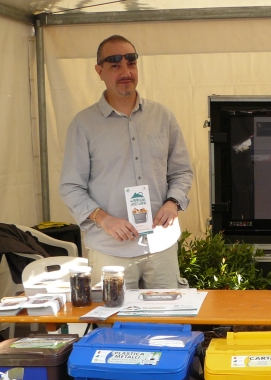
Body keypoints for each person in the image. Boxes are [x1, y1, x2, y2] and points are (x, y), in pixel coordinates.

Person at [59, 35, 193, 289]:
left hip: (161, 246)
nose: (125, 71)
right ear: (99, 71)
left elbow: (182, 171)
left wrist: (173, 202)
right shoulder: (84, 124)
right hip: (111, 252)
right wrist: (104, 219)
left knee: (167, 323)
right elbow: (70, 187)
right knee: (114, 324)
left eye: (131, 63)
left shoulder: (162, 116)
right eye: (115, 65)